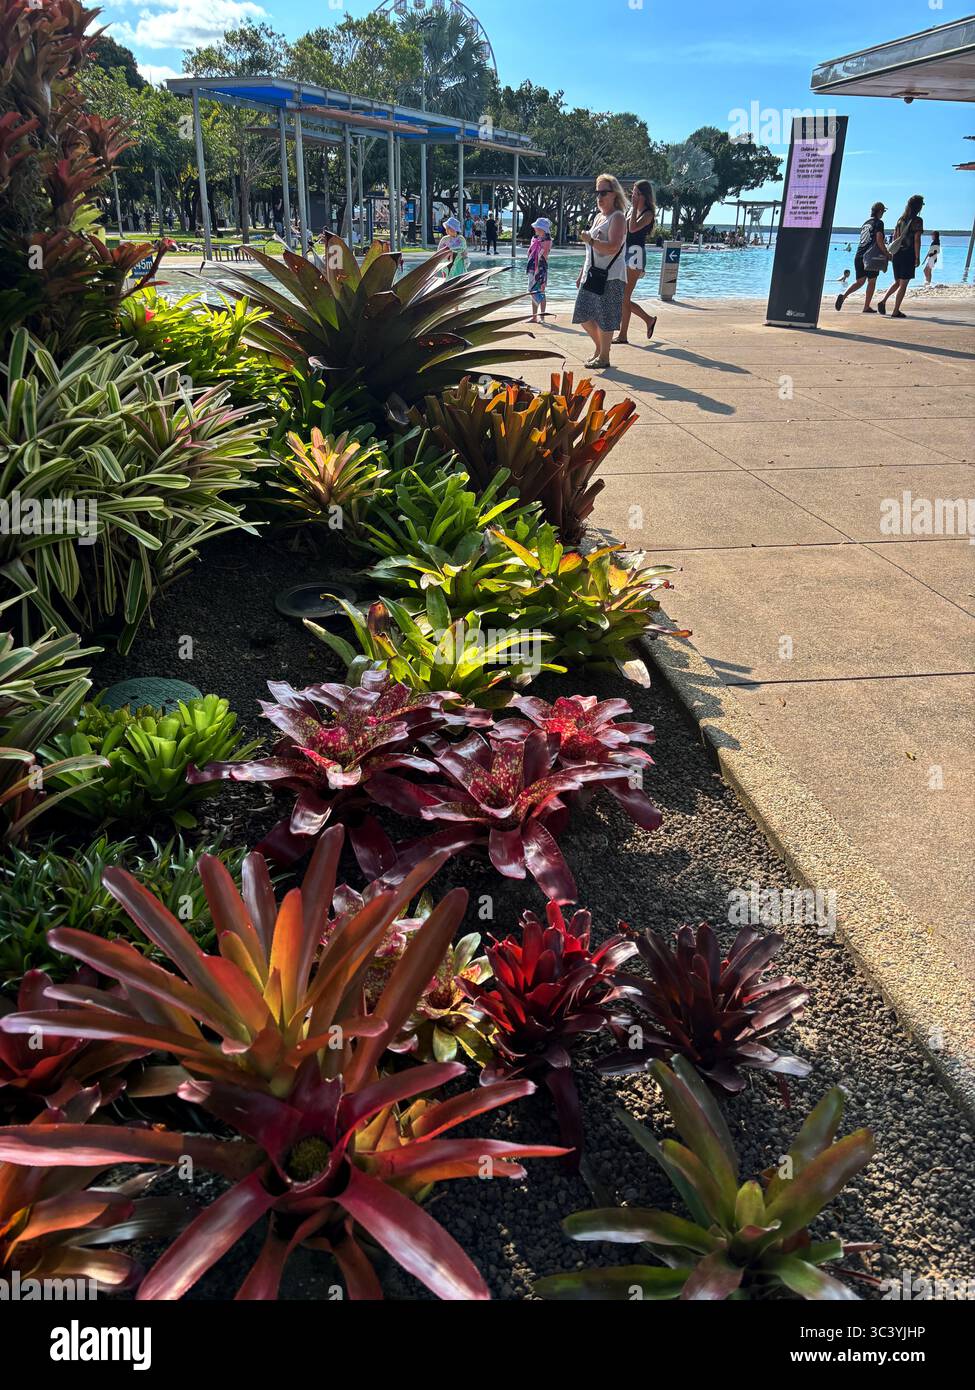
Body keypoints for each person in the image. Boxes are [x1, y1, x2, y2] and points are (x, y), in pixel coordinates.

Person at [572, 173, 628, 370]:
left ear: (614, 194)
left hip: (611, 276)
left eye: (604, 192)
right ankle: (600, 349)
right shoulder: (598, 217)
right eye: (597, 192)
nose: (599, 197)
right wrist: (581, 274)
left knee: (606, 317)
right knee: (582, 314)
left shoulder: (618, 217)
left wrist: (592, 240)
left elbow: (613, 247)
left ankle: (604, 356)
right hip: (593, 273)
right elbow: (591, 253)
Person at [616, 179, 657, 344]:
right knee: (621, 297)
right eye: (633, 193)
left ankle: (623, 335)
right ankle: (648, 320)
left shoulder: (647, 213)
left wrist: (633, 209)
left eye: (638, 194)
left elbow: (633, 228)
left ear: (645, 196)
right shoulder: (631, 211)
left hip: (636, 254)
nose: (634, 196)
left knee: (624, 296)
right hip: (626, 252)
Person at [835, 202, 887, 313]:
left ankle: (843, 296)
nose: (883, 214)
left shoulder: (866, 223)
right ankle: (866, 306)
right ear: (880, 211)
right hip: (870, 257)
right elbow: (879, 239)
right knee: (871, 281)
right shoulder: (879, 223)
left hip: (858, 255)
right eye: (883, 211)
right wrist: (886, 253)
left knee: (859, 282)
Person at [878, 195, 924, 318]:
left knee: (897, 282)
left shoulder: (900, 219)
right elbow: (917, 240)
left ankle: (883, 301)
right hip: (908, 255)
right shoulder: (917, 221)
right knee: (903, 284)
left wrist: (892, 253)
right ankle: (895, 311)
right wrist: (917, 257)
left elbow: (894, 237)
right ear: (919, 207)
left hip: (897, 254)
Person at [526, 216, 552, 321]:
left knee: (541, 291)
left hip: (541, 268)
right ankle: (534, 317)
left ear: (542, 229)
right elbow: (530, 253)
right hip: (532, 267)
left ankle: (542, 316)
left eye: (537, 228)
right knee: (533, 291)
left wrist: (538, 243)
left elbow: (543, 253)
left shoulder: (547, 241)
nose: (535, 229)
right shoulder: (535, 239)